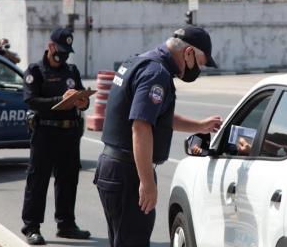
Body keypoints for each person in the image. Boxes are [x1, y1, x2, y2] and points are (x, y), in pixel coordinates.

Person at [94, 25, 222, 247]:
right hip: (128, 173)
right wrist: (146, 182)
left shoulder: (138, 61)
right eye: (199, 63)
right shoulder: (156, 74)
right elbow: (141, 126)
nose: (198, 70)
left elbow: (156, 116)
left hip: (112, 168)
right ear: (188, 53)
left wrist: (200, 125)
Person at [21, 27, 91, 245]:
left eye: (67, 51)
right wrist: (60, 99)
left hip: (69, 132)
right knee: (38, 180)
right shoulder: (36, 71)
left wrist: (82, 101)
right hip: (45, 132)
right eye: (60, 50)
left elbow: (83, 98)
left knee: (68, 180)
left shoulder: (71, 70)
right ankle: (31, 227)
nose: (63, 55)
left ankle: (66, 224)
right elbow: (31, 101)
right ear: (50, 46)